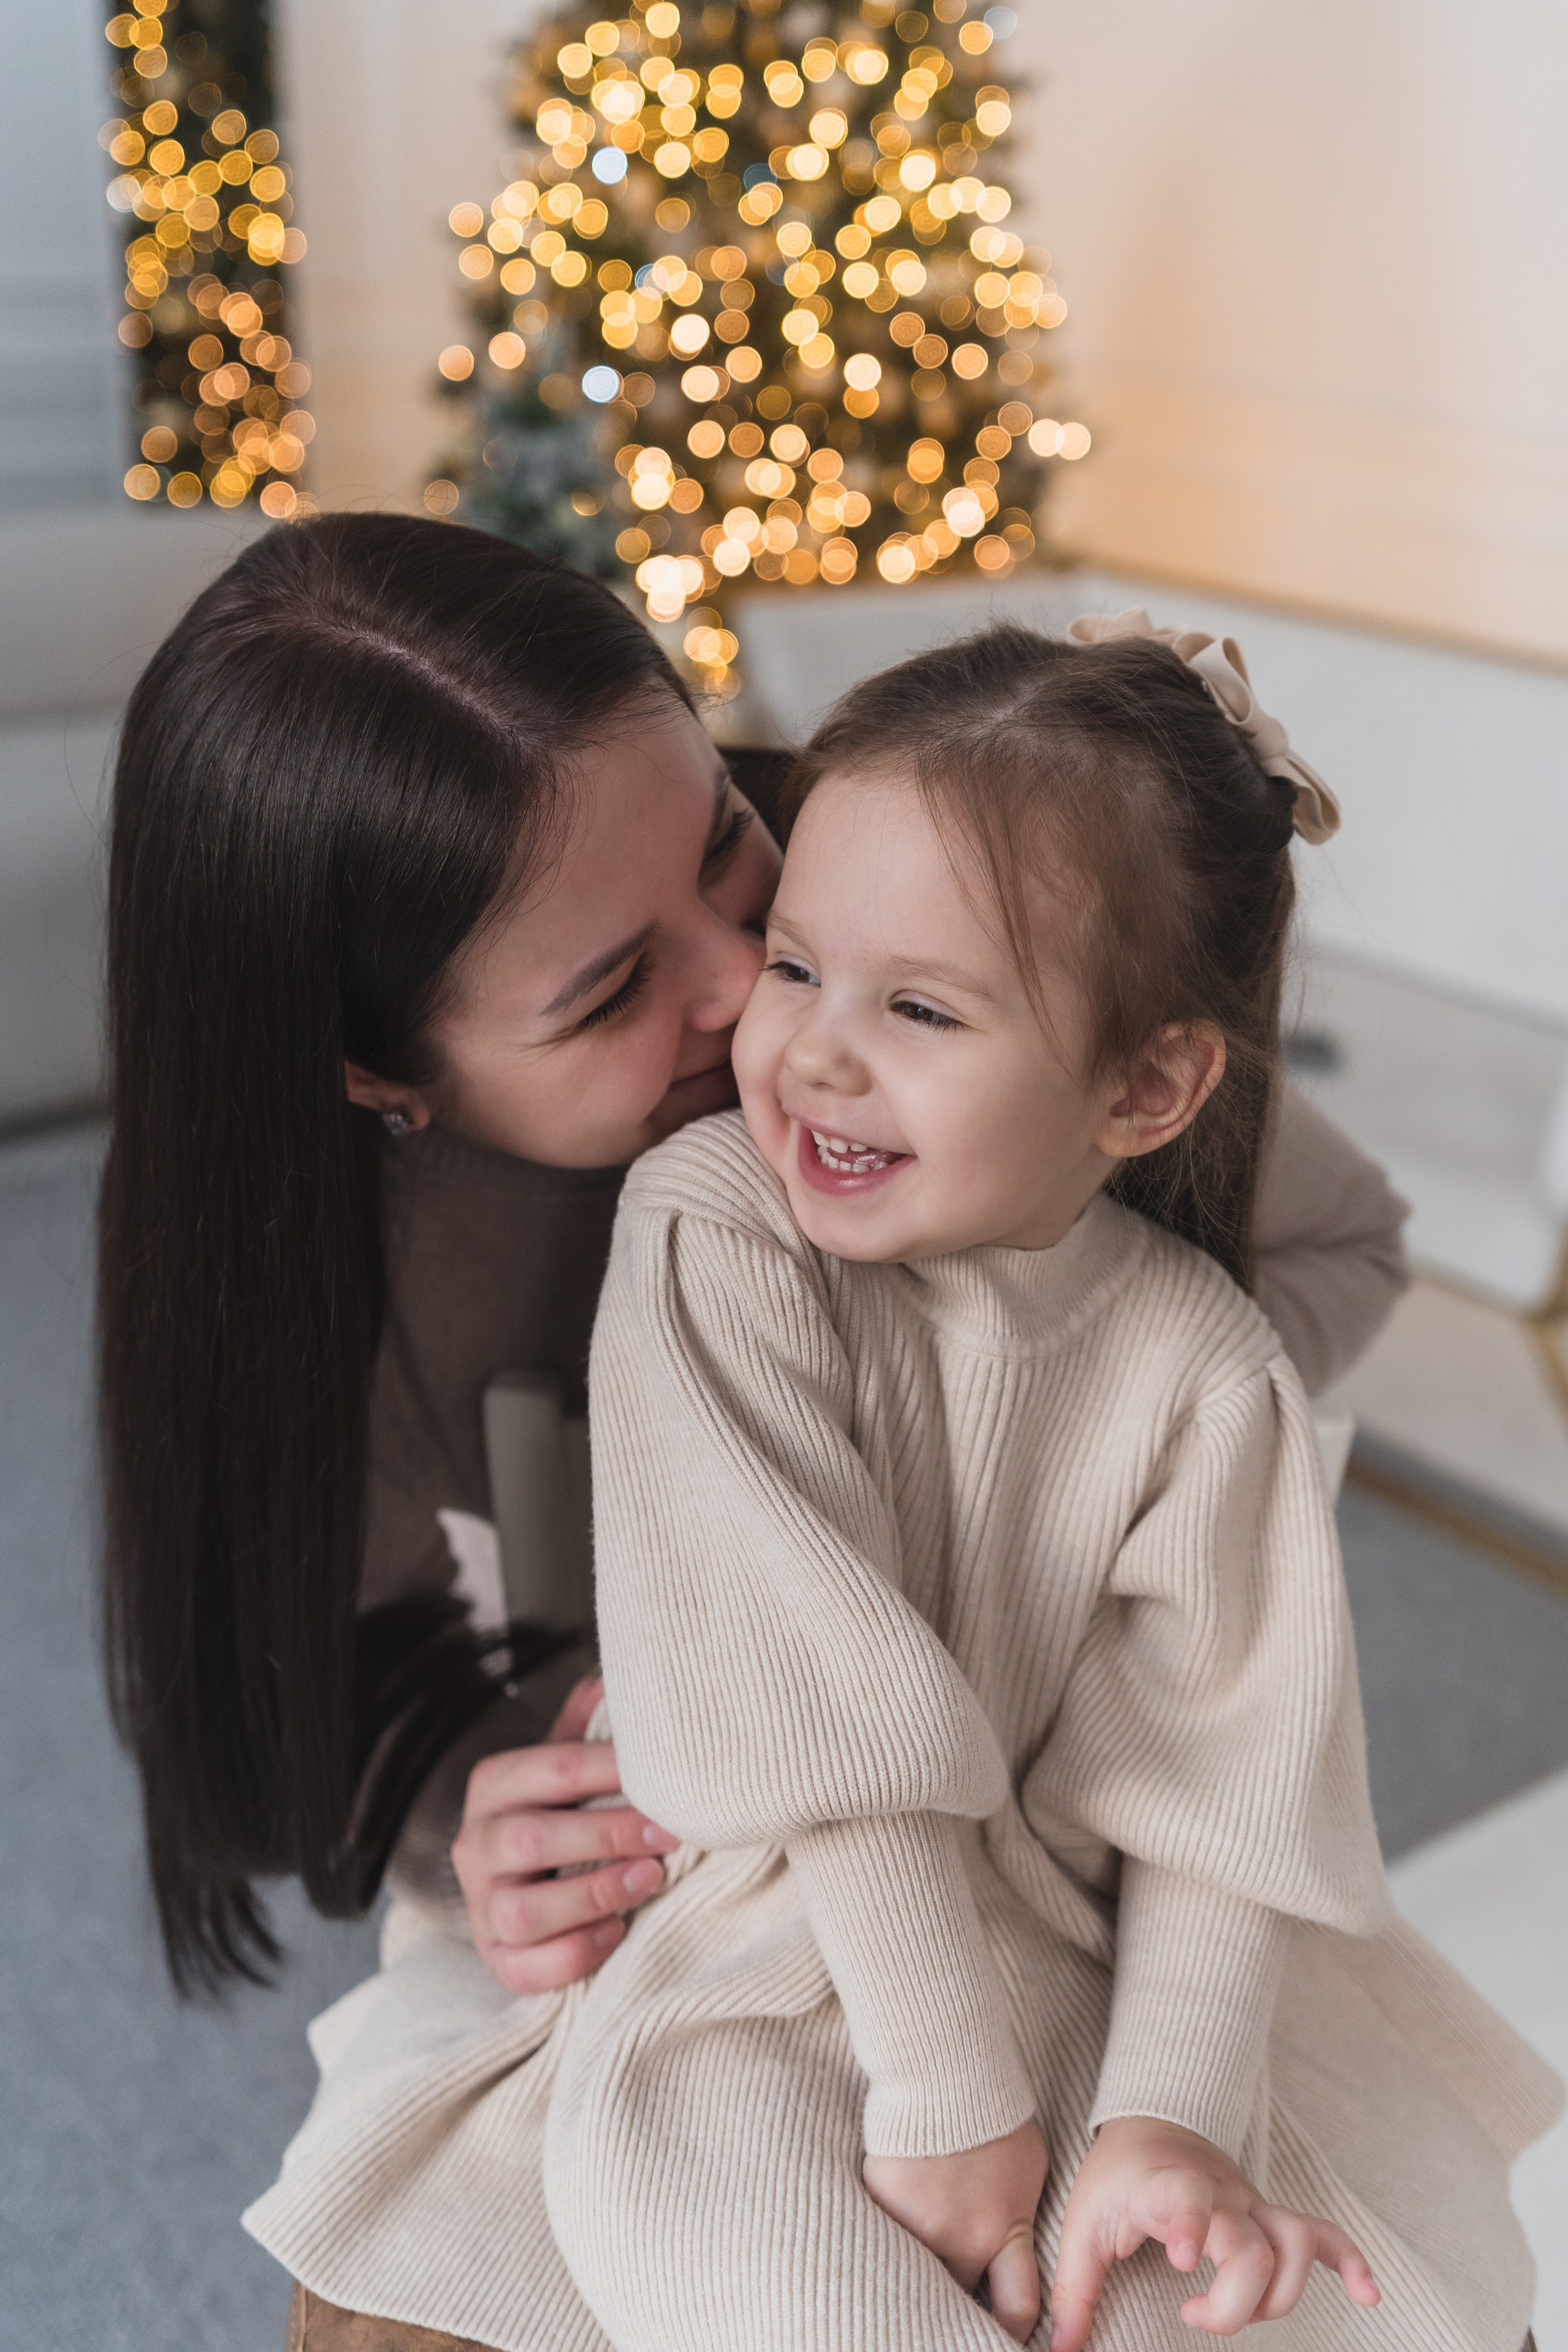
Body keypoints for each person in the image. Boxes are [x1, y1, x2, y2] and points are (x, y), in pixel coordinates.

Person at [94, 516, 1413, 2344]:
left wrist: (1085, 1449)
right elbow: (345, 1665)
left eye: (732, 846)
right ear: (383, 1075)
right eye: (610, 994)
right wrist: (477, 1801)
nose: (757, 1003)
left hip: (1048, 1807)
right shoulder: (350, 1259)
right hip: (690, 1865)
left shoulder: (925, 897)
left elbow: (1333, 1256)